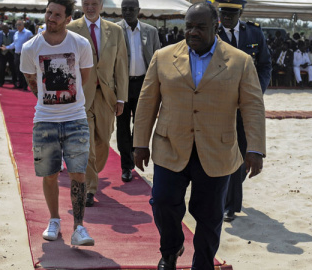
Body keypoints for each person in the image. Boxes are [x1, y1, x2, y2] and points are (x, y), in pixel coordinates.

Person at [133, 3, 266, 269]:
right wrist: (139, 144)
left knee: (209, 216)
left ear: (216, 26)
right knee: (162, 203)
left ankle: (203, 264)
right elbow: (147, 103)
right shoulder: (163, 56)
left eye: (200, 27)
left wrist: (255, 148)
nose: (192, 32)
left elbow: (252, 106)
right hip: (169, 145)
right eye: (189, 26)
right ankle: (170, 250)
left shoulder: (240, 61)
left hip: (217, 150)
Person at [20, 0, 95, 246]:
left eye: (57, 14)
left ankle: (79, 227)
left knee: (78, 174)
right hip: (45, 120)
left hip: (76, 119)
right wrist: (49, 101)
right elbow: (31, 80)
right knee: (49, 174)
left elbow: (83, 78)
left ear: (68, 18)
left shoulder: (80, 44)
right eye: (48, 12)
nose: (50, 17)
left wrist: (66, 101)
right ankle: (54, 219)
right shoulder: (31, 47)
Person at [67, 0, 128, 207]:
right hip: (81, 97)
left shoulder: (115, 31)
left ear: (101, 5)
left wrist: (121, 98)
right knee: (87, 144)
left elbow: (121, 64)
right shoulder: (71, 29)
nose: (90, 7)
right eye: (86, 3)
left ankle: (93, 171)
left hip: (107, 97)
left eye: (94, 3)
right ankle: (90, 188)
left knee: (103, 140)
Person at [216, 0, 271, 222]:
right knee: (222, 153)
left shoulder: (254, 34)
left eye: (232, 12)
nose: (227, 17)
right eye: (223, 12)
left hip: (246, 105)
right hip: (219, 104)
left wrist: (257, 92)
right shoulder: (213, 31)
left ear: (241, 12)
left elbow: (265, 65)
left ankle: (230, 202)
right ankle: (228, 201)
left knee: (242, 152)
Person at [115, 0, 160, 182]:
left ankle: (134, 153)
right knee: (122, 126)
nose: (127, 12)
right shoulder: (115, 30)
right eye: (124, 9)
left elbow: (157, 58)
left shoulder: (151, 31)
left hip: (144, 85)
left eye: (131, 9)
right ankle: (126, 166)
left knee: (140, 124)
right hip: (122, 85)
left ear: (138, 11)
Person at [1, 20, 33, 91]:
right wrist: (6, 47)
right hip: (17, 54)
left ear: (23, 25)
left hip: (25, 54)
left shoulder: (28, 33)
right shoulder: (16, 33)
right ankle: (20, 84)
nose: (17, 26)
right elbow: (14, 44)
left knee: (24, 70)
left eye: (19, 25)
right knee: (18, 70)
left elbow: (32, 43)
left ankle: (25, 85)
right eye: (17, 25)